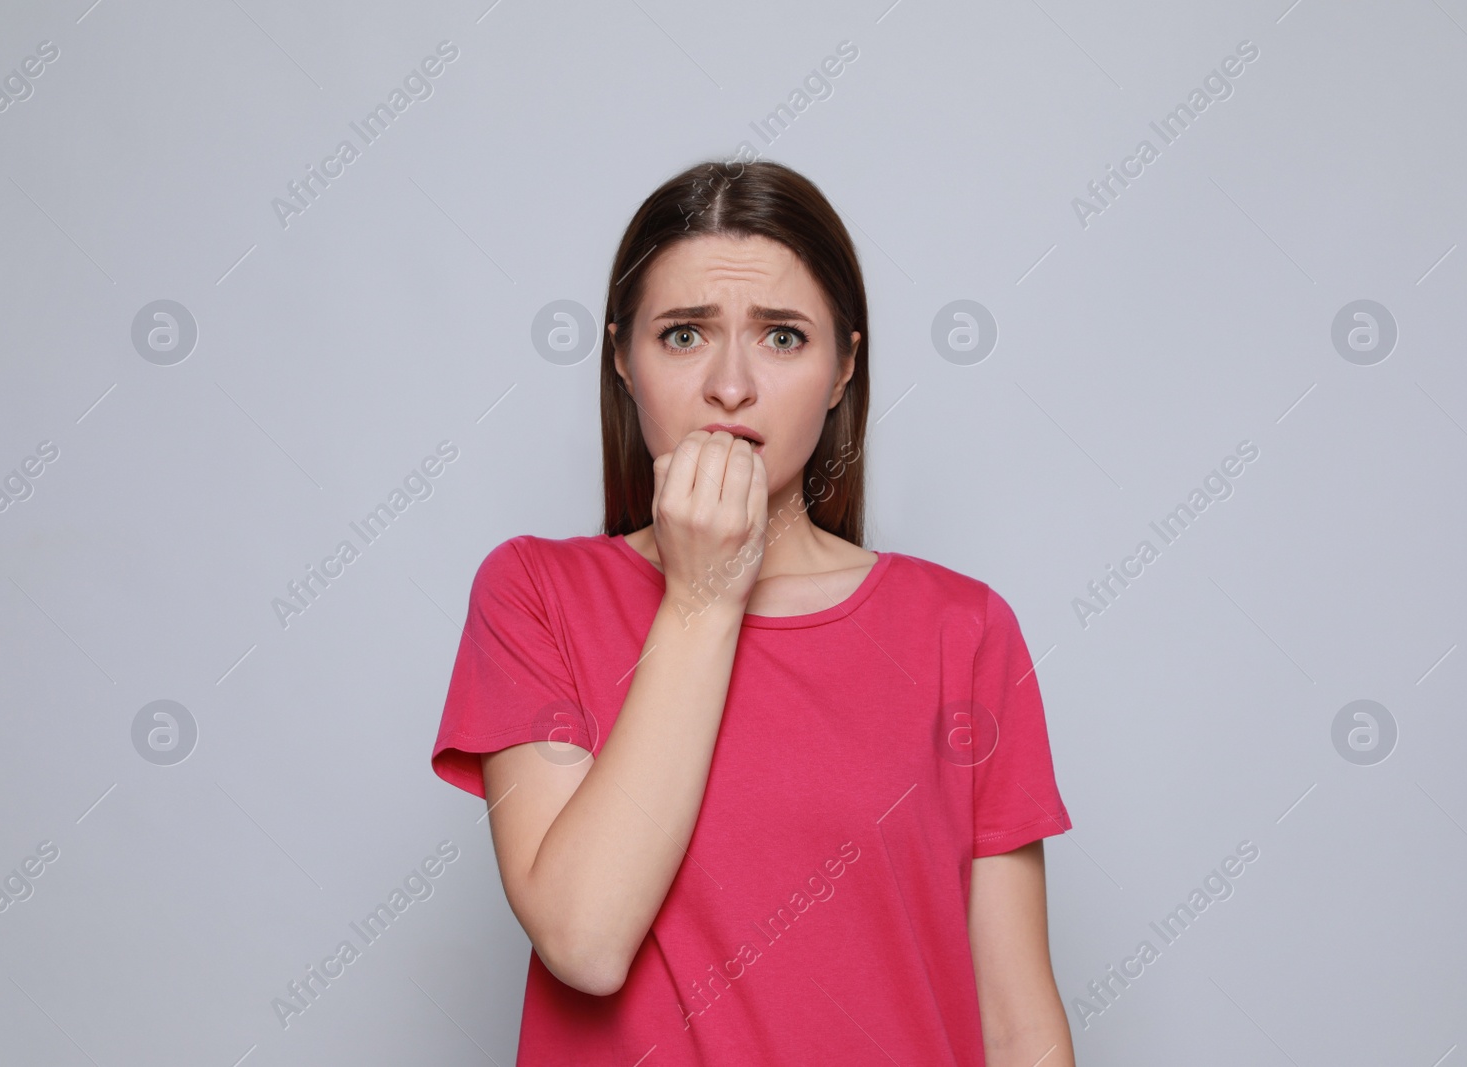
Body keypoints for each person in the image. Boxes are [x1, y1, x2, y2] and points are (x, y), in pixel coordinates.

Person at [430, 159, 1076, 1065]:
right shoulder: (533, 594)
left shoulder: (961, 631)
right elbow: (584, 938)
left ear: (844, 365)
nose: (730, 385)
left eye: (781, 338)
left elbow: (1016, 1023)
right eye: (685, 334)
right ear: (622, 358)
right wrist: (701, 593)